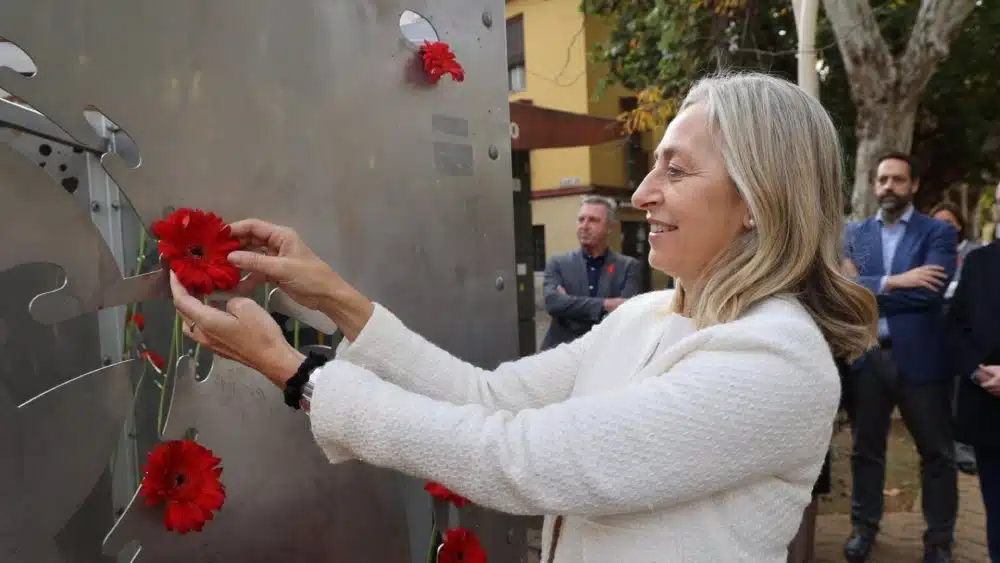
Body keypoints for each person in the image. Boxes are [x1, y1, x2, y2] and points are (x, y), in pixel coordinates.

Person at [168, 73, 878, 562]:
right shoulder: (650, 314)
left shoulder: (775, 359)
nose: (642, 191)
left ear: (757, 199)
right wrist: (335, 298)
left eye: (676, 170)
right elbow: (488, 398)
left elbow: (528, 459)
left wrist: (300, 376)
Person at [842, 153, 958, 563]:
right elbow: (845, 292)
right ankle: (863, 528)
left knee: (937, 453)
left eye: (898, 180)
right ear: (873, 185)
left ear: (914, 186)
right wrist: (896, 281)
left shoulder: (936, 233)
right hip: (869, 358)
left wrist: (871, 289)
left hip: (921, 358)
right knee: (865, 450)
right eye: (882, 179)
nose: (888, 187)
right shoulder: (854, 235)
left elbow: (929, 292)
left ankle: (939, 540)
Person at [948, 187, 1000, 559]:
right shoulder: (980, 262)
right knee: (996, 512)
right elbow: (955, 327)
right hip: (988, 410)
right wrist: (975, 372)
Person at [540, 195, 642, 350]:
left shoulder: (628, 267)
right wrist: (605, 304)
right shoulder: (558, 263)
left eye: (593, 220)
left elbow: (625, 311)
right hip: (560, 352)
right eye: (581, 220)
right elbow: (553, 303)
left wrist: (570, 305)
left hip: (604, 354)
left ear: (610, 227)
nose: (584, 226)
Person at [930, 200, 980, 475]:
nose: (944, 228)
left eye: (949, 222)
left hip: (965, 331)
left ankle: (965, 449)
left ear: (960, 224)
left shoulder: (974, 253)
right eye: (937, 222)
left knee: (963, 391)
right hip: (934, 332)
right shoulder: (928, 253)